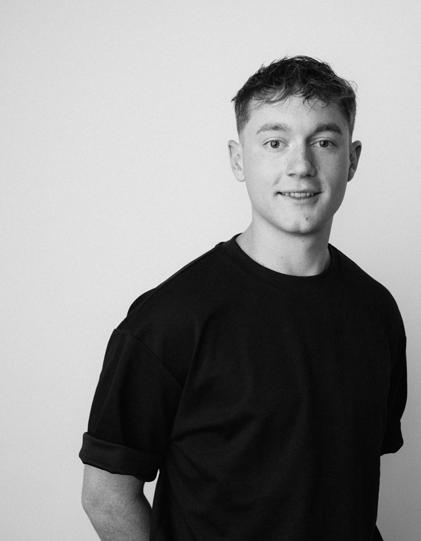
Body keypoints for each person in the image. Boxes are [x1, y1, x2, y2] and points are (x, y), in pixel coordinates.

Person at [79, 55, 407, 541]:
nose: (301, 166)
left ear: (352, 159)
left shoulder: (377, 310)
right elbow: (106, 495)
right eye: (275, 142)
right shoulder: (169, 319)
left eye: (324, 142)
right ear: (238, 159)